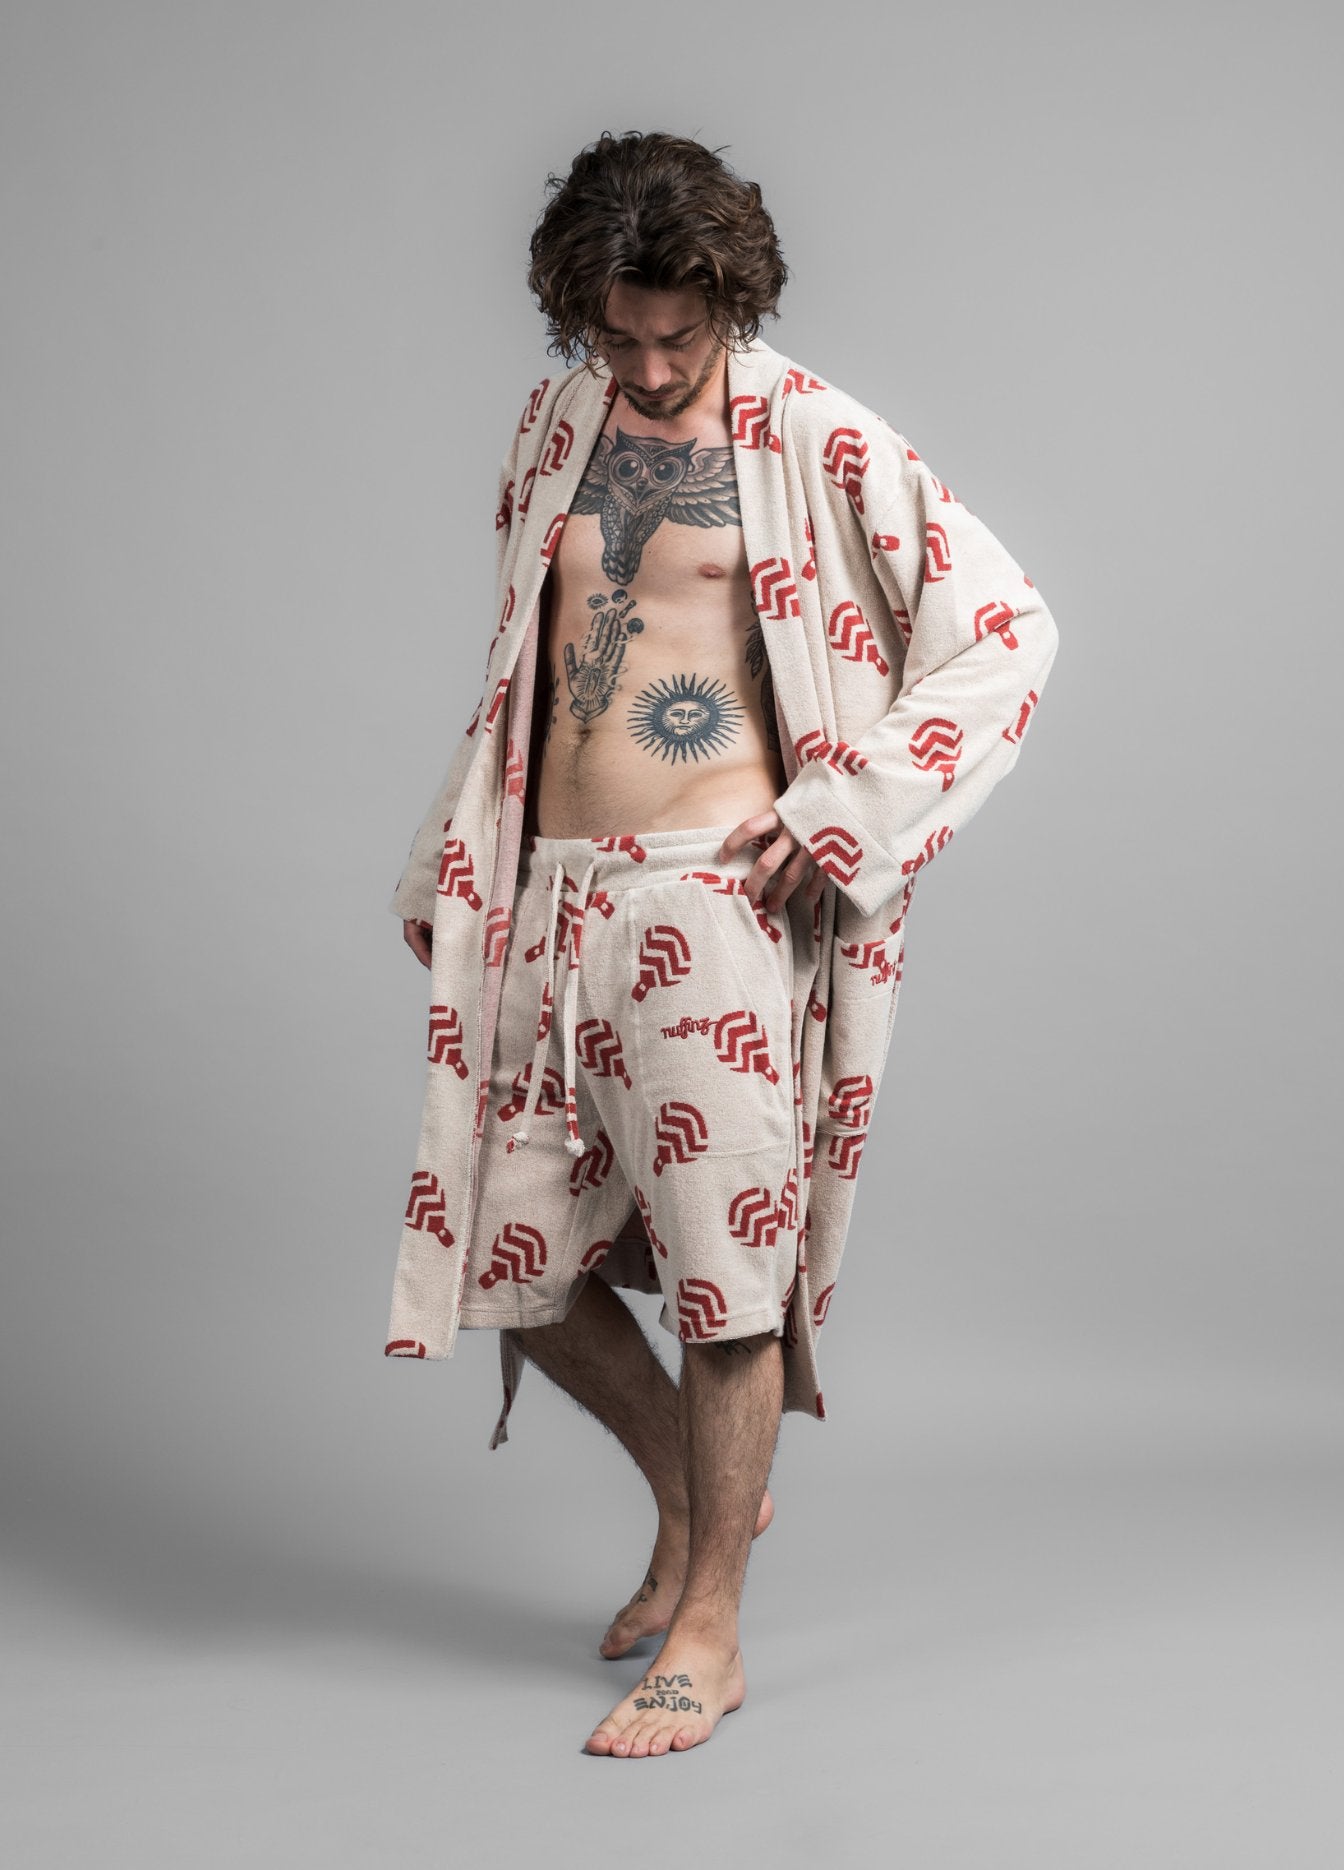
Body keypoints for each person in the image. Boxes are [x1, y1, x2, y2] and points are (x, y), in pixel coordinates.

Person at [385, 129, 1060, 1759]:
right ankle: (699, 1502)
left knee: (723, 1275)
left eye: (677, 334)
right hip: (553, 891)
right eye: (616, 333)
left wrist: (849, 807)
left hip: (713, 902)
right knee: (513, 1260)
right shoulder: (557, 426)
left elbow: (1008, 629)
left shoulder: (813, 432)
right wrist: (454, 867)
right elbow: (525, 669)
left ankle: (710, 1628)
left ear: (731, 298)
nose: (648, 366)